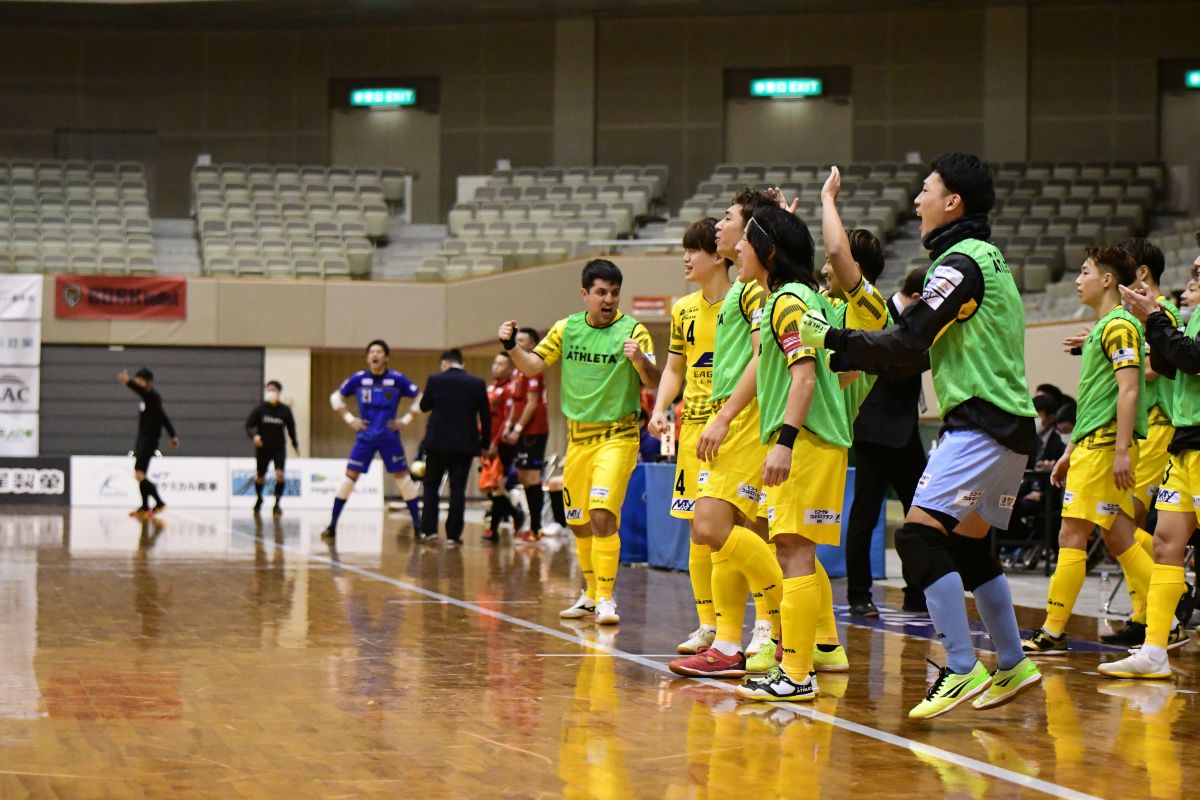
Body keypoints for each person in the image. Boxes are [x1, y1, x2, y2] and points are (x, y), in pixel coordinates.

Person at [799, 153, 1041, 718]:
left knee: (916, 539)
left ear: (952, 201)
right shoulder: (988, 258)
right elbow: (914, 356)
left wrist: (833, 339)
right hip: (1008, 426)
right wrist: (856, 356)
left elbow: (908, 342)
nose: (916, 200)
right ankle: (1012, 662)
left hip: (980, 422)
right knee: (969, 547)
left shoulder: (958, 263)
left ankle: (960, 664)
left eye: (926, 190)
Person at [732, 204, 852, 704]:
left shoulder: (785, 302)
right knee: (792, 552)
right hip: (815, 442)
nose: (737, 247)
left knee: (795, 553)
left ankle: (798, 674)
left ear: (770, 252)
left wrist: (783, 441)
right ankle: (799, 666)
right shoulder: (802, 298)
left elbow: (803, 376)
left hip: (805, 444)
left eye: (746, 239)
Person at [499, 258, 660, 626]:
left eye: (615, 293)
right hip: (578, 440)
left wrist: (639, 362)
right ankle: (589, 594)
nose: (608, 300)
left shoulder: (634, 331)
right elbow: (532, 366)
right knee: (578, 521)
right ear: (584, 294)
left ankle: (606, 598)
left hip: (618, 438)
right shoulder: (566, 329)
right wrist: (510, 345)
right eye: (601, 292)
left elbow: (653, 380)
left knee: (603, 514)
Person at [667, 187, 784, 678]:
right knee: (718, 534)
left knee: (720, 528)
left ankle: (778, 629)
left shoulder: (753, 290)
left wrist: (722, 416)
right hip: (725, 422)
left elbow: (762, 357)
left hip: (744, 422)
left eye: (730, 217)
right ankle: (731, 641)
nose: (719, 225)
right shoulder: (738, 289)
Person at [1022, 245, 1152, 656]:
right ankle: (1168, 602)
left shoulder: (1118, 327)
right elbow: (1096, 398)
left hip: (1104, 450)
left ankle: (1054, 630)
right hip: (1090, 447)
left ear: (1108, 280)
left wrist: (1120, 451)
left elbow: (1129, 389)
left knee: (1071, 534)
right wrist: (1069, 451)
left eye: (1084, 272)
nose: (1078, 280)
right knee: (1119, 538)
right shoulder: (1104, 328)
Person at [1104, 238, 1200, 677]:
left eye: (1198, 275)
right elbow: (1168, 364)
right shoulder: (1192, 315)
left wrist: (1156, 319)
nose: (1189, 282)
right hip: (1186, 444)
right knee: (1164, 543)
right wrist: (1152, 323)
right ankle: (1155, 650)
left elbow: (1194, 359)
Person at [649, 217, 731, 652]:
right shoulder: (683, 309)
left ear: (718, 255)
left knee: (735, 529)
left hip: (734, 429)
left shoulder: (746, 301)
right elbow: (676, 367)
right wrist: (662, 407)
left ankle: (755, 628)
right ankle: (708, 625)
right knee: (698, 531)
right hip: (692, 431)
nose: (685, 257)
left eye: (693, 250)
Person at [843, 267, 930, 617]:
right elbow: (882, 362)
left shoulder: (921, 323)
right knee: (865, 514)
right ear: (918, 298)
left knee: (920, 513)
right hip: (873, 428)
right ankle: (859, 594)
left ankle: (916, 593)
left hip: (906, 429)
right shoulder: (880, 313)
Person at [322, 339, 422, 540]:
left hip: (389, 437)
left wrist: (405, 420)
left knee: (403, 479)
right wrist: (350, 419)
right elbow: (335, 398)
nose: (375, 355)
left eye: (379, 352)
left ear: (386, 358)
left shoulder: (397, 379)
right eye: (371, 352)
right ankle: (332, 525)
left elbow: (421, 397)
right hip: (365, 437)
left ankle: (419, 528)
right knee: (350, 477)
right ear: (368, 358)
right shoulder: (358, 379)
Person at [418, 348, 490, 545]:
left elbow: (424, 406)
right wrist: (485, 444)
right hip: (465, 444)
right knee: (458, 489)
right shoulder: (477, 383)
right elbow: (485, 416)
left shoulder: (435, 379)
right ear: (462, 363)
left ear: (444, 364)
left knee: (431, 485)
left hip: (437, 443)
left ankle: (429, 531)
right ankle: (453, 535)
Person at [503, 327, 551, 542]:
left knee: (532, 477)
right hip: (521, 430)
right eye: (517, 339)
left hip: (535, 430)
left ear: (532, 344)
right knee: (523, 476)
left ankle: (537, 528)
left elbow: (532, 404)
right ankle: (530, 525)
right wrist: (508, 425)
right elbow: (515, 402)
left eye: (522, 340)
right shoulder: (515, 370)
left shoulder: (534, 368)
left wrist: (518, 429)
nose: (518, 343)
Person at [119, 368, 179, 517]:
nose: (138, 382)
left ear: (147, 382)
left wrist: (128, 383)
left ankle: (160, 502)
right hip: (142, 437)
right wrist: (173, 436)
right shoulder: (147, 399)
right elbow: (163, 416)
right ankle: (145, 507)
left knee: (139, 473)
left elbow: (162, 416)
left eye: (140, 380)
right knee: (141, 473)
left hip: (150, 438)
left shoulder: (152, 396)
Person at [481, 352, 522, 542]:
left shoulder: (509, 390)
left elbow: (507, 419)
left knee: (497, 486)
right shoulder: (490, 389)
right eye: (495, 363)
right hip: (486, 444)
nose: (496, 367)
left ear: (510, 368)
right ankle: (512, 515)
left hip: (501, 445)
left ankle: (495, 528)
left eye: (501, 364)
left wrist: (495, 443)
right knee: (491, 487)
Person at [245, 380, 300, 516]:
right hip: (263, 448)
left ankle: (277, 503)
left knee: (280, 475)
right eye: (268, 390)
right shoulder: (260, 409)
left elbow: (291, 429)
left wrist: (295, 444)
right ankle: (259, 499)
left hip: (278, 448)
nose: (270, 392)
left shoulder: (285, 410)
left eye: (273, 390)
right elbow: (249, 426)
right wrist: (254, 436)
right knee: (260, 476)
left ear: (279, 392)